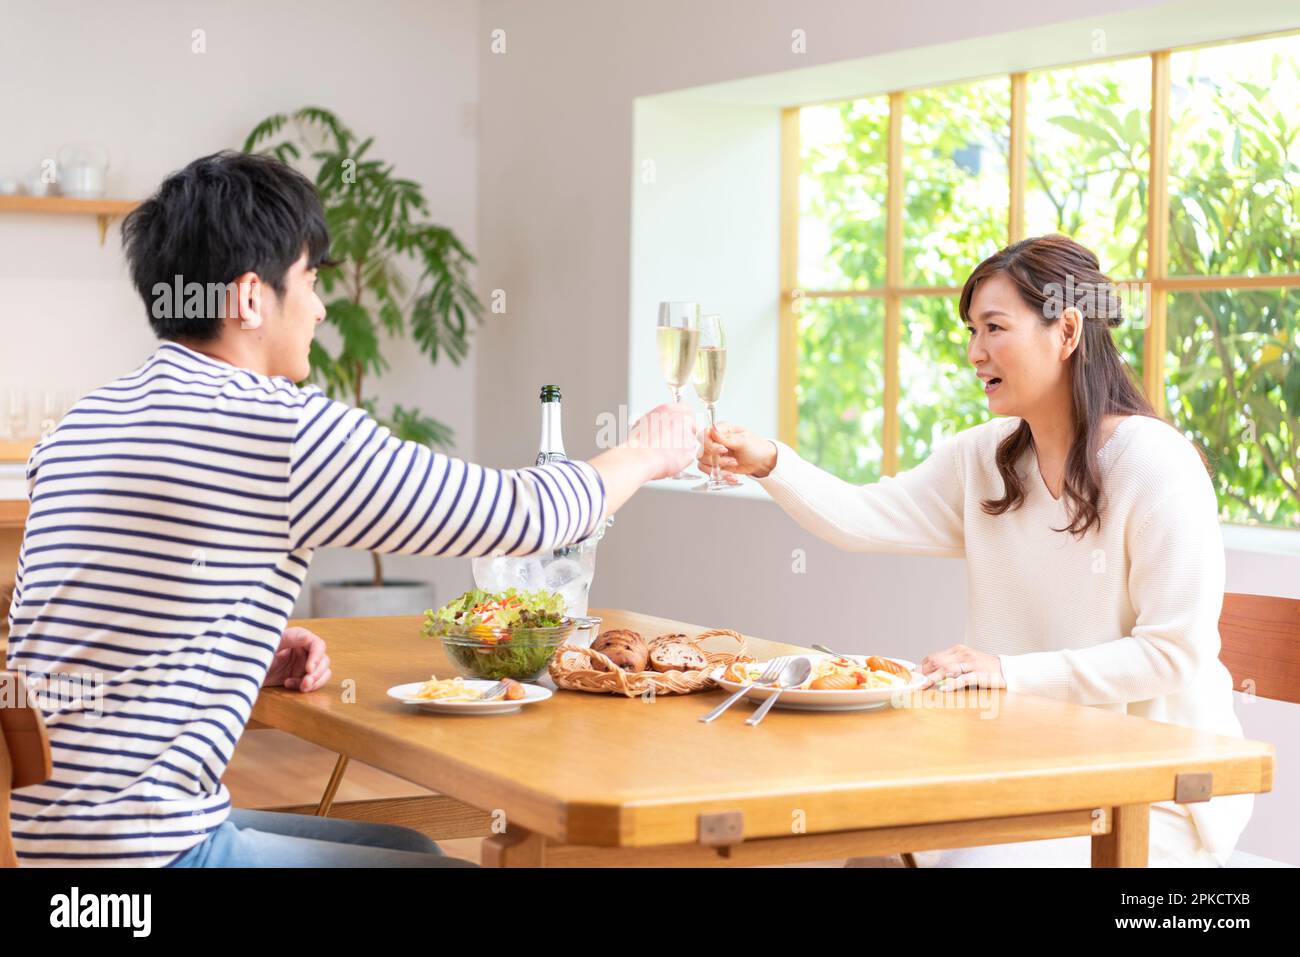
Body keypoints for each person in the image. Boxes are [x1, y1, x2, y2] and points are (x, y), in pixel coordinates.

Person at [5, 151, 697, 867]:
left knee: (406, 844)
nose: (320, 306)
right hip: (142, 861)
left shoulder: (86, 422)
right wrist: (646, 451)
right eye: (309, 280)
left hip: (51, 843)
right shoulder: (276, 427)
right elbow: (519, 516)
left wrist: (233, 641)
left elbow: (61, 620)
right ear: (250, 296)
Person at [699, 234, 1251, 867]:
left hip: (1152, 789)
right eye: (971, 330)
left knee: (967, 861)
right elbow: (864, 518)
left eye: (994, 328)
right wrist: (771, 463)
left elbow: (1172, 654)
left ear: (1066, 331)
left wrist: (1008, 673)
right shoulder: (988, 456)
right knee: (861, 839)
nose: (974, 353)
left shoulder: (1153, 464)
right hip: (1020, 763)